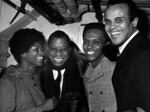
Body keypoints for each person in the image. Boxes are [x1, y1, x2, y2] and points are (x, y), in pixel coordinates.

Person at [103, 0, 150, 111]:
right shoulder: (130, 50)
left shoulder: (144, 53)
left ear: (134, 22)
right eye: (108, 22)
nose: (111, 27)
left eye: (119, 20)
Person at [0, 28, 55, 112]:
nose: (42, 53)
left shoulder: (37, 72)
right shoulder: (7, 81)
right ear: (23, 53)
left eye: (42, 50)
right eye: (36, 50)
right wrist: (42, 108)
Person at [40, 30, 88, 112]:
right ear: (47, 49)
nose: (58, 53)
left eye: (63, 49)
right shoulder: (38, 72)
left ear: (69, 50)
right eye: (54, 49)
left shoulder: (82, 71)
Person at [82, 22, 117, 112]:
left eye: (96, 42)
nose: (89, 46)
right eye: (86, 41)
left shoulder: (115, 69)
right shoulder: (87, 72)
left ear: (106, 44)